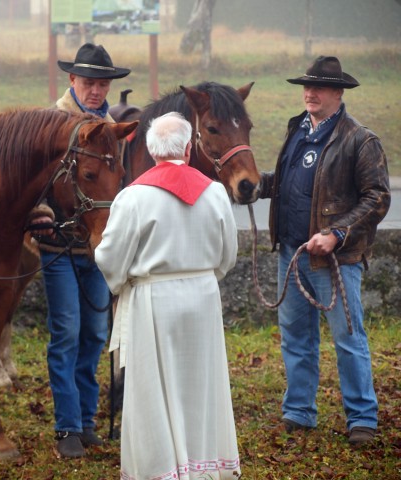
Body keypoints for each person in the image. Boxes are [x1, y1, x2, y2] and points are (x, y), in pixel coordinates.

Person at [95, 112, 241, 479]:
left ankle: (161, 468)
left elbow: (110, 258)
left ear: (149, 149)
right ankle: (205, 464)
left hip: (153, 300)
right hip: (203, 296)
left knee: (154, 387)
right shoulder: (216, 193)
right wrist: (204, 276)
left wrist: (125, 279)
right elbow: (228, 254)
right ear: (189, 149)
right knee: (200, 382)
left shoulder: (133, 197)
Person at [259, 56, 391, 447]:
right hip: (292, 253)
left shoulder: (359, 139)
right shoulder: (296, 129)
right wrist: (253, 184)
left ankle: (362, 418)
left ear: (338, 92)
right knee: (296, 337)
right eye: (306, 86)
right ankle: (299, 411)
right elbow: (284, 183)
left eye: (318, 87)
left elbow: (378, 198)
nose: (309, 93)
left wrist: (337, 232)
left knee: (349, 338)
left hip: (335, 259)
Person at [27, 43, 130, 458]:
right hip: (57, 248)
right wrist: (38, 209)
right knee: (66, 332)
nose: (95, 90)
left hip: (97, 251)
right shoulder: (50, 125)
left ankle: (87, 421)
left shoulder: (110, 127)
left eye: (102, 84)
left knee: (94, 334)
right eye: (88, 82)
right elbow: (29, 180)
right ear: (72, 81)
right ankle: (67, 426)